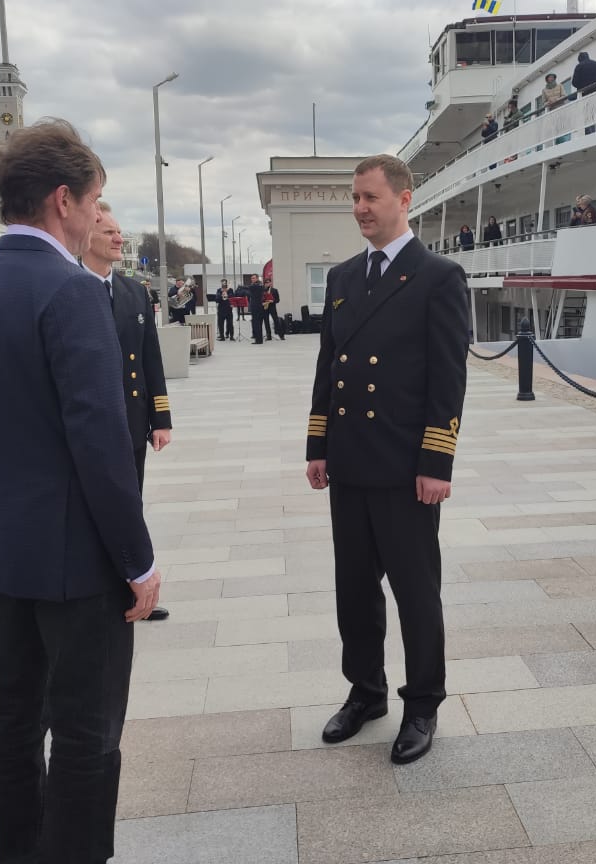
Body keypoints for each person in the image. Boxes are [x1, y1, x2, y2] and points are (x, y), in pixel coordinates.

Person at [0, 119, 159, 864]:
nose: (98, 216)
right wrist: (137, 561)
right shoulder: (71, 292)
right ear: (63, 200)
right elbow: (101, 445)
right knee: (87, 731)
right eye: (94, 201)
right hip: (78, 563)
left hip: (9, 547)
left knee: (15, 717)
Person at [305, 153, 469, 766]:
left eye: (370, 197)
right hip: (351, 463)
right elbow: (329, 366)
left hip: (405, 469)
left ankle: (422, 703)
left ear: (404, 200)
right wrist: (318, 446)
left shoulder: (438, 276)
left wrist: (436, 463)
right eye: (355, 198)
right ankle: (366, 691)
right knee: (354, 589)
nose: (359, 209)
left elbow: (447, 380)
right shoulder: (344, 277)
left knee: (416, 592)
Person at [84, 201, 173, 624]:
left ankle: (134, 586)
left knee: (130, 504)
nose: (119, 239)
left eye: (119, 232)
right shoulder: (70, 288)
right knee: (97, 509)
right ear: (87, 235)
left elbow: (150, 357)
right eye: (109, 232)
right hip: (92, 423)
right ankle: (103, 591)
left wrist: (161, 419)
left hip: (132, 421)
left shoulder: (134, 292)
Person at [246, 273, 266, 343]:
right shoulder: (256, 285)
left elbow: (248, 288)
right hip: (256, 306)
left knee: (257, 323)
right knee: (256, 323)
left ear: (257, 278)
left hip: (257, 306)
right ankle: (258, 339)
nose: (252, 279)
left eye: (254, 278)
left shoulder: (257, 285)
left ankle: (258, 340)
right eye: (251, 278)